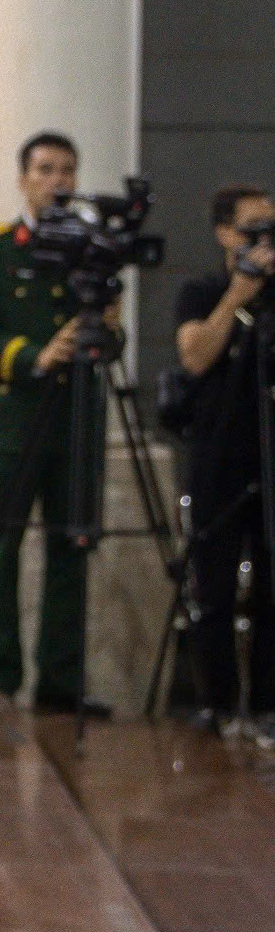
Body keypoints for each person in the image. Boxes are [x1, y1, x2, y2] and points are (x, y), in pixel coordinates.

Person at [0, 131, 97, 714]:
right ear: (23, 178)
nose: (57, 181)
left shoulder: (91, 250)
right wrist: (35, 355)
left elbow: (110, 335)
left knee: (73, 548)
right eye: (44, 170)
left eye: (67, 170)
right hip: (11, 424)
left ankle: (61, 686)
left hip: (76, 424)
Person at [171, 183, 275, 739]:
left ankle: (266, 704)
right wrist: (236, 296)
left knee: (271, 585)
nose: (261, 243)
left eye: (270, 231)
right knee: (211, 583)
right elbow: (193, 357)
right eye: (250, 231)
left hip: (270, 454)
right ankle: (214, 701)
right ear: (223, 234)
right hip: (218, 454)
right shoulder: (203, 290)